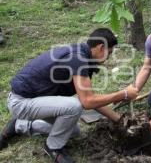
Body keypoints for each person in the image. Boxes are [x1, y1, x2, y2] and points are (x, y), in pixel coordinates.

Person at [0, 28, 138, 162]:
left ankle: (20, 125)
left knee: (72, 131)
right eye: (110, 52)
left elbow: (89, 97)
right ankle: (53, 147)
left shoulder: (82, 55)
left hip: (36, 100)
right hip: (21, 102)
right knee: (74, 106)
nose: (109, 57)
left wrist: (120, 120)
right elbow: (87, 102)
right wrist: (123, 94)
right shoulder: (78, 59)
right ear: (101, 47)